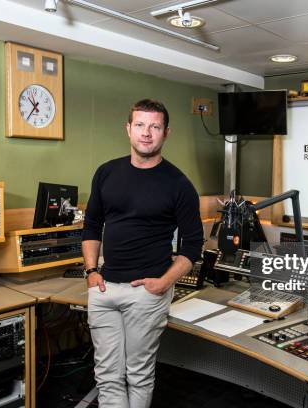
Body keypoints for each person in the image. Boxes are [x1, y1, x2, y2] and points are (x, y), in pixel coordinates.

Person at [82, 99, 204, 408]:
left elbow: (193, 245)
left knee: (137, 373)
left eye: (154, 126)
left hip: (146, 292)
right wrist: (91, 271)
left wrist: (163, 283)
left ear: (166, 133)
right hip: (104, 287)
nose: (146, 133)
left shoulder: (179, 184)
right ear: (128, 129)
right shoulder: (106, 173)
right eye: (140, 125)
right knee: (107, 375)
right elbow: (92, 225)